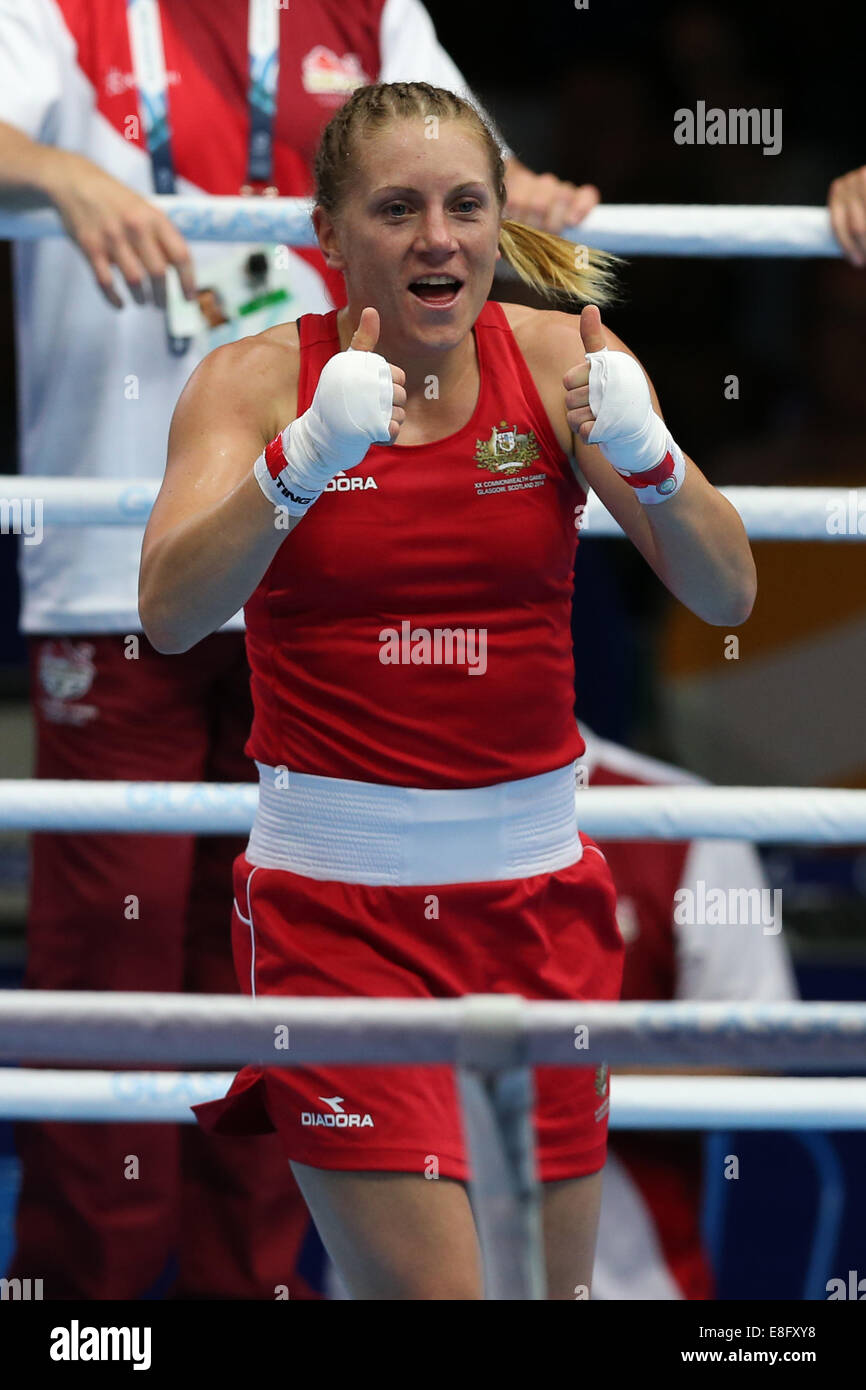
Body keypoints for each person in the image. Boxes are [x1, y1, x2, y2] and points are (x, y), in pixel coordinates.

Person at [0, 0, 601, 1300]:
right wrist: (53, 171)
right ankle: (82, 1328)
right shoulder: (57, 10)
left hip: (334, 565)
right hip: (129, 561)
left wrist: (529, 194)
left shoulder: (369, 8)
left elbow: (466, 170)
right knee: (109, 993)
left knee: (277, 1007)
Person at [138, 79, 756, 1300]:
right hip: (337, 911)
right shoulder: (254, 383)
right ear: (329, 231)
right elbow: (167, 613)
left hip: (537, 906)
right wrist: (300, 461)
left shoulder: (561, 355)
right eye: (398, 206)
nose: (439, 237)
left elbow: (726, 591)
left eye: (465, 204)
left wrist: (650, 458)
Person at [575, 725, 797, 1300]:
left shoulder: (680, 813)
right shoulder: (357, 805)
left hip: (630, 1278)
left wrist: (556, 1081)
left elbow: (758, 1049)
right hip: (384, 1270)